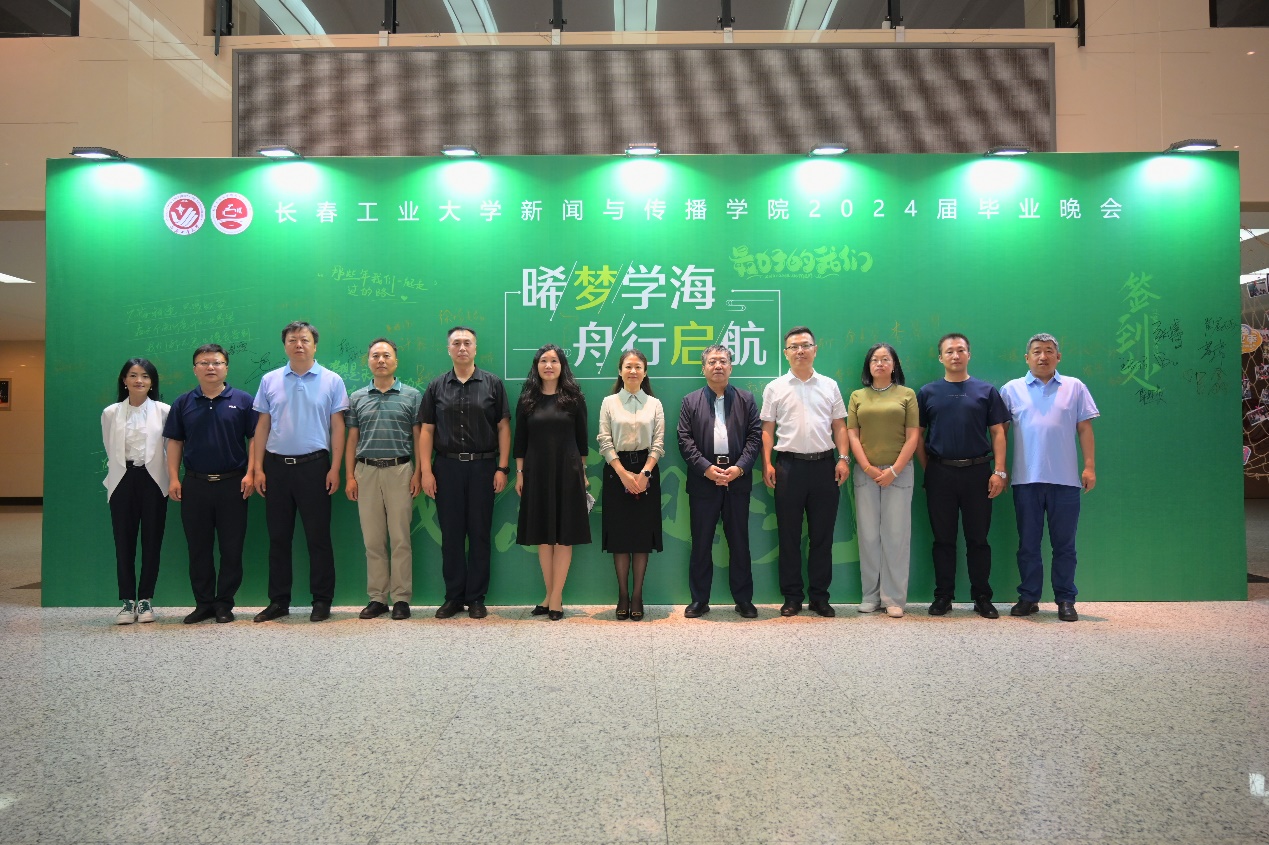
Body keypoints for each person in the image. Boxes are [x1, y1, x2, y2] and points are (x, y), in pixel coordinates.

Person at [252, 321, 349, 623]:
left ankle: (322, 600)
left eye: (305, 340)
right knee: (278, 538)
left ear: (314, 345)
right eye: (292, 340)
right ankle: (278, 601)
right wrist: (257, 468)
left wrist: (335, 468)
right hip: (276, 467)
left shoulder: (332, 380)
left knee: (318, 538)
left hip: (315, 467)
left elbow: (338, 427)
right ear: (285, 346)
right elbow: (262, 426)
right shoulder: (269, 380)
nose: (299, 345)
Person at [1000, 333, 1099, 622]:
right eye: (1036, 351)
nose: (1042, 356)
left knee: (1065, 546)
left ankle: (1066, 599)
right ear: (1026, 358)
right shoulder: (1011, 390)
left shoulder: (1075, 387)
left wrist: (1089, 467)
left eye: (1048, 351)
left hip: (1065, 481)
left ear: (1058, 356)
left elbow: (1085, 428)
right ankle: (1029, 597)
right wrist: (1000, 469)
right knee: (1028, 544)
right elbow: (1000, 433)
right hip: (1026, 480)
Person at [417, 326, 511, 620]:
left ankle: (476, 598)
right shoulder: (436, 386)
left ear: (475, 348)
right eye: (456, 343)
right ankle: (454, 597)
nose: (461, 348)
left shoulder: (492, 384)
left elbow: (503, 428)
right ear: (448, 349)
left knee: (480, 533)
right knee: (451, 535)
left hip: (484, 467)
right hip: (446, 467)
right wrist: (426, 471)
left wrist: (502, 467)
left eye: (467, 343)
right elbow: (426, 430)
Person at [916, 333, 1010, 618]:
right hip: (940, 472)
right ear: (940, 357)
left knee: (978, 539)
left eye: (960, 350)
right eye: (949, 351)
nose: (955, 355)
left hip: (978, 473)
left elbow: (998, 432)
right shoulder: (927, 392)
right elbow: (918, 436)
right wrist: (930, 468)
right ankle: (943, 596)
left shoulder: (986, 391)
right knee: (942, 539)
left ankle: (982, 597)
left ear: (969, 354)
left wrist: (999, 471)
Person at [164, 344, 258, 624]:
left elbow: (255, 439)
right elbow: (175, 441)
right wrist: (173, 478)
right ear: (195, 369)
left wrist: (251, 473)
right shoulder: (183, 402)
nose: (210, 367)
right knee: (198, 548)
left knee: (232, 548)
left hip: (234, 484)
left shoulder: (243, 400)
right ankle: (203, 603)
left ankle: (224, 604)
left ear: (226, 367)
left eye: (217, 362)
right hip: (195, 484)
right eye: (203, 363)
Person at [760, 326, 850, 618]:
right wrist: (767, 463)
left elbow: (839, 425)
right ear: (786, 353)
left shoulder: (830, 385)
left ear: (815, 349)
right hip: (789, 467)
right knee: (789, 536)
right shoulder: (775, 388)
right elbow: (767, 428)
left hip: (825, 466)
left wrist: (843, 458)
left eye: (805, 345)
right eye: (794, 347)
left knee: (822, 536)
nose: (800, 351)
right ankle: (792, 597)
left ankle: (820, 597)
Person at [677, 344, 762, 619]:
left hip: (737, 480)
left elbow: (755, 437)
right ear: (703, 368)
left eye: (723, 361)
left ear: (731, 367)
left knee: (739, 542)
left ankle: (744, 600)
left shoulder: (746, 399)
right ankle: (699, 600)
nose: (718, 366)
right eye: (712, 362)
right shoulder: (690, 401)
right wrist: (706, 468)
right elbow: (684, 440)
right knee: (701, 543)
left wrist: (739, 468)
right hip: (704, 481)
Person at [345, 338, 422, 621]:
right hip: (365, 471)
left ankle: (401, 598)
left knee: (400, 538)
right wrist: (349, 476)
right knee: (373, 540)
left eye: (386, 355)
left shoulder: (412, 395)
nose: (381, 360)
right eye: (375, 355)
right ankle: (377, 598)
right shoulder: (357, 397)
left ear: (395, 361)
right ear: (368, 361)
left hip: (400, 470)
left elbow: (418, 437)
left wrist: (419, 472)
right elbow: (352, 438)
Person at [514, 343, 591, 621]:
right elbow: (520, 441)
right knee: (543, 538)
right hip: (535, 472)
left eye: (554, 361)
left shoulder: (574, 398)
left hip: (567, 471)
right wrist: (519, 473)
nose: (549, 365)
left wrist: (583, 473)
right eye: (543, 361)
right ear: (536, 366)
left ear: (562, 366)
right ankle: (549, 596)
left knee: (563, 536)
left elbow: (582, 441)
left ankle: (555, 597)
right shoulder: (527, 400)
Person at [847, 343, 920, 619]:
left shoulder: (907, 395)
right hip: (865, 473)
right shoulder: (857, 396)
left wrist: (894, 470)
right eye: (875, 360)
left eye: (885, 359)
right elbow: (852, 435)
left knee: (896, 535)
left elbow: (913, 436)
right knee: (868, 535)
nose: (880, 363)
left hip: (899, 473)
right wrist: (866, 467)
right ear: (868, 366)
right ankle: (870, 596)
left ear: (894, 364)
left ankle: (894, 598)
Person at [597, 348, 664, 621]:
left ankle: (637, 596)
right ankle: (623, 595)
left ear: (645, 372)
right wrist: (623, 473)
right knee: (621, 538)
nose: (633, 371)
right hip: (616, 473)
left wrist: (645, 473)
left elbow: (658, 442)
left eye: (638, 367)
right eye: (628, 366)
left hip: (648, 471)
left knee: (641, 538)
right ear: (620, 371)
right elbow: (604, 440)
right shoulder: (609, 402)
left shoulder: (654, 404)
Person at [101, 357, 170, 625]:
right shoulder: (111, 413)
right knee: (124, 541)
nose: (139, 380)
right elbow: (109, 447)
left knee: (153, 541)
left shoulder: (164, 411)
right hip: (122, 480)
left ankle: (146, 599)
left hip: (154, 480)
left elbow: (169, 448)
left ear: (152, 382)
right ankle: (127, 601)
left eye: (145, 376)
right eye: (133, 375)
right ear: (124, 380)